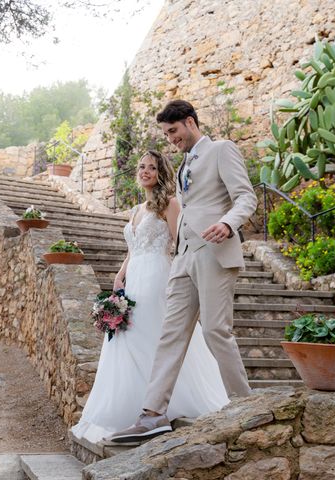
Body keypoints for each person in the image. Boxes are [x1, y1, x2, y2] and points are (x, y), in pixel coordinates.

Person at [110, 100, 258, 444]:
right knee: (170, 333)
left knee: (216, 332)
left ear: (190, 122)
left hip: (214, 253)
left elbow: (245, 198)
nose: (171, 139)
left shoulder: (222, 150)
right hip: (184, 258)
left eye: (173, 131)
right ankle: (152, 414)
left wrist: (227, 222)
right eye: (166, 134)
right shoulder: (182, 165)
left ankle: (246, 405)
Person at [70, 150, 229, 444]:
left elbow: (179, 245)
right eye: (141, 166)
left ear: (160, 173)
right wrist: (120, 275)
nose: (145, 171)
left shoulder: (169, 204)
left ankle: (160, 405)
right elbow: (134, 249)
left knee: (154, 336)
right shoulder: (136, 209)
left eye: (152, 167)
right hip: (133, 279)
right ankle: (132, 408)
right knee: (128, 339)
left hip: (158, 276)